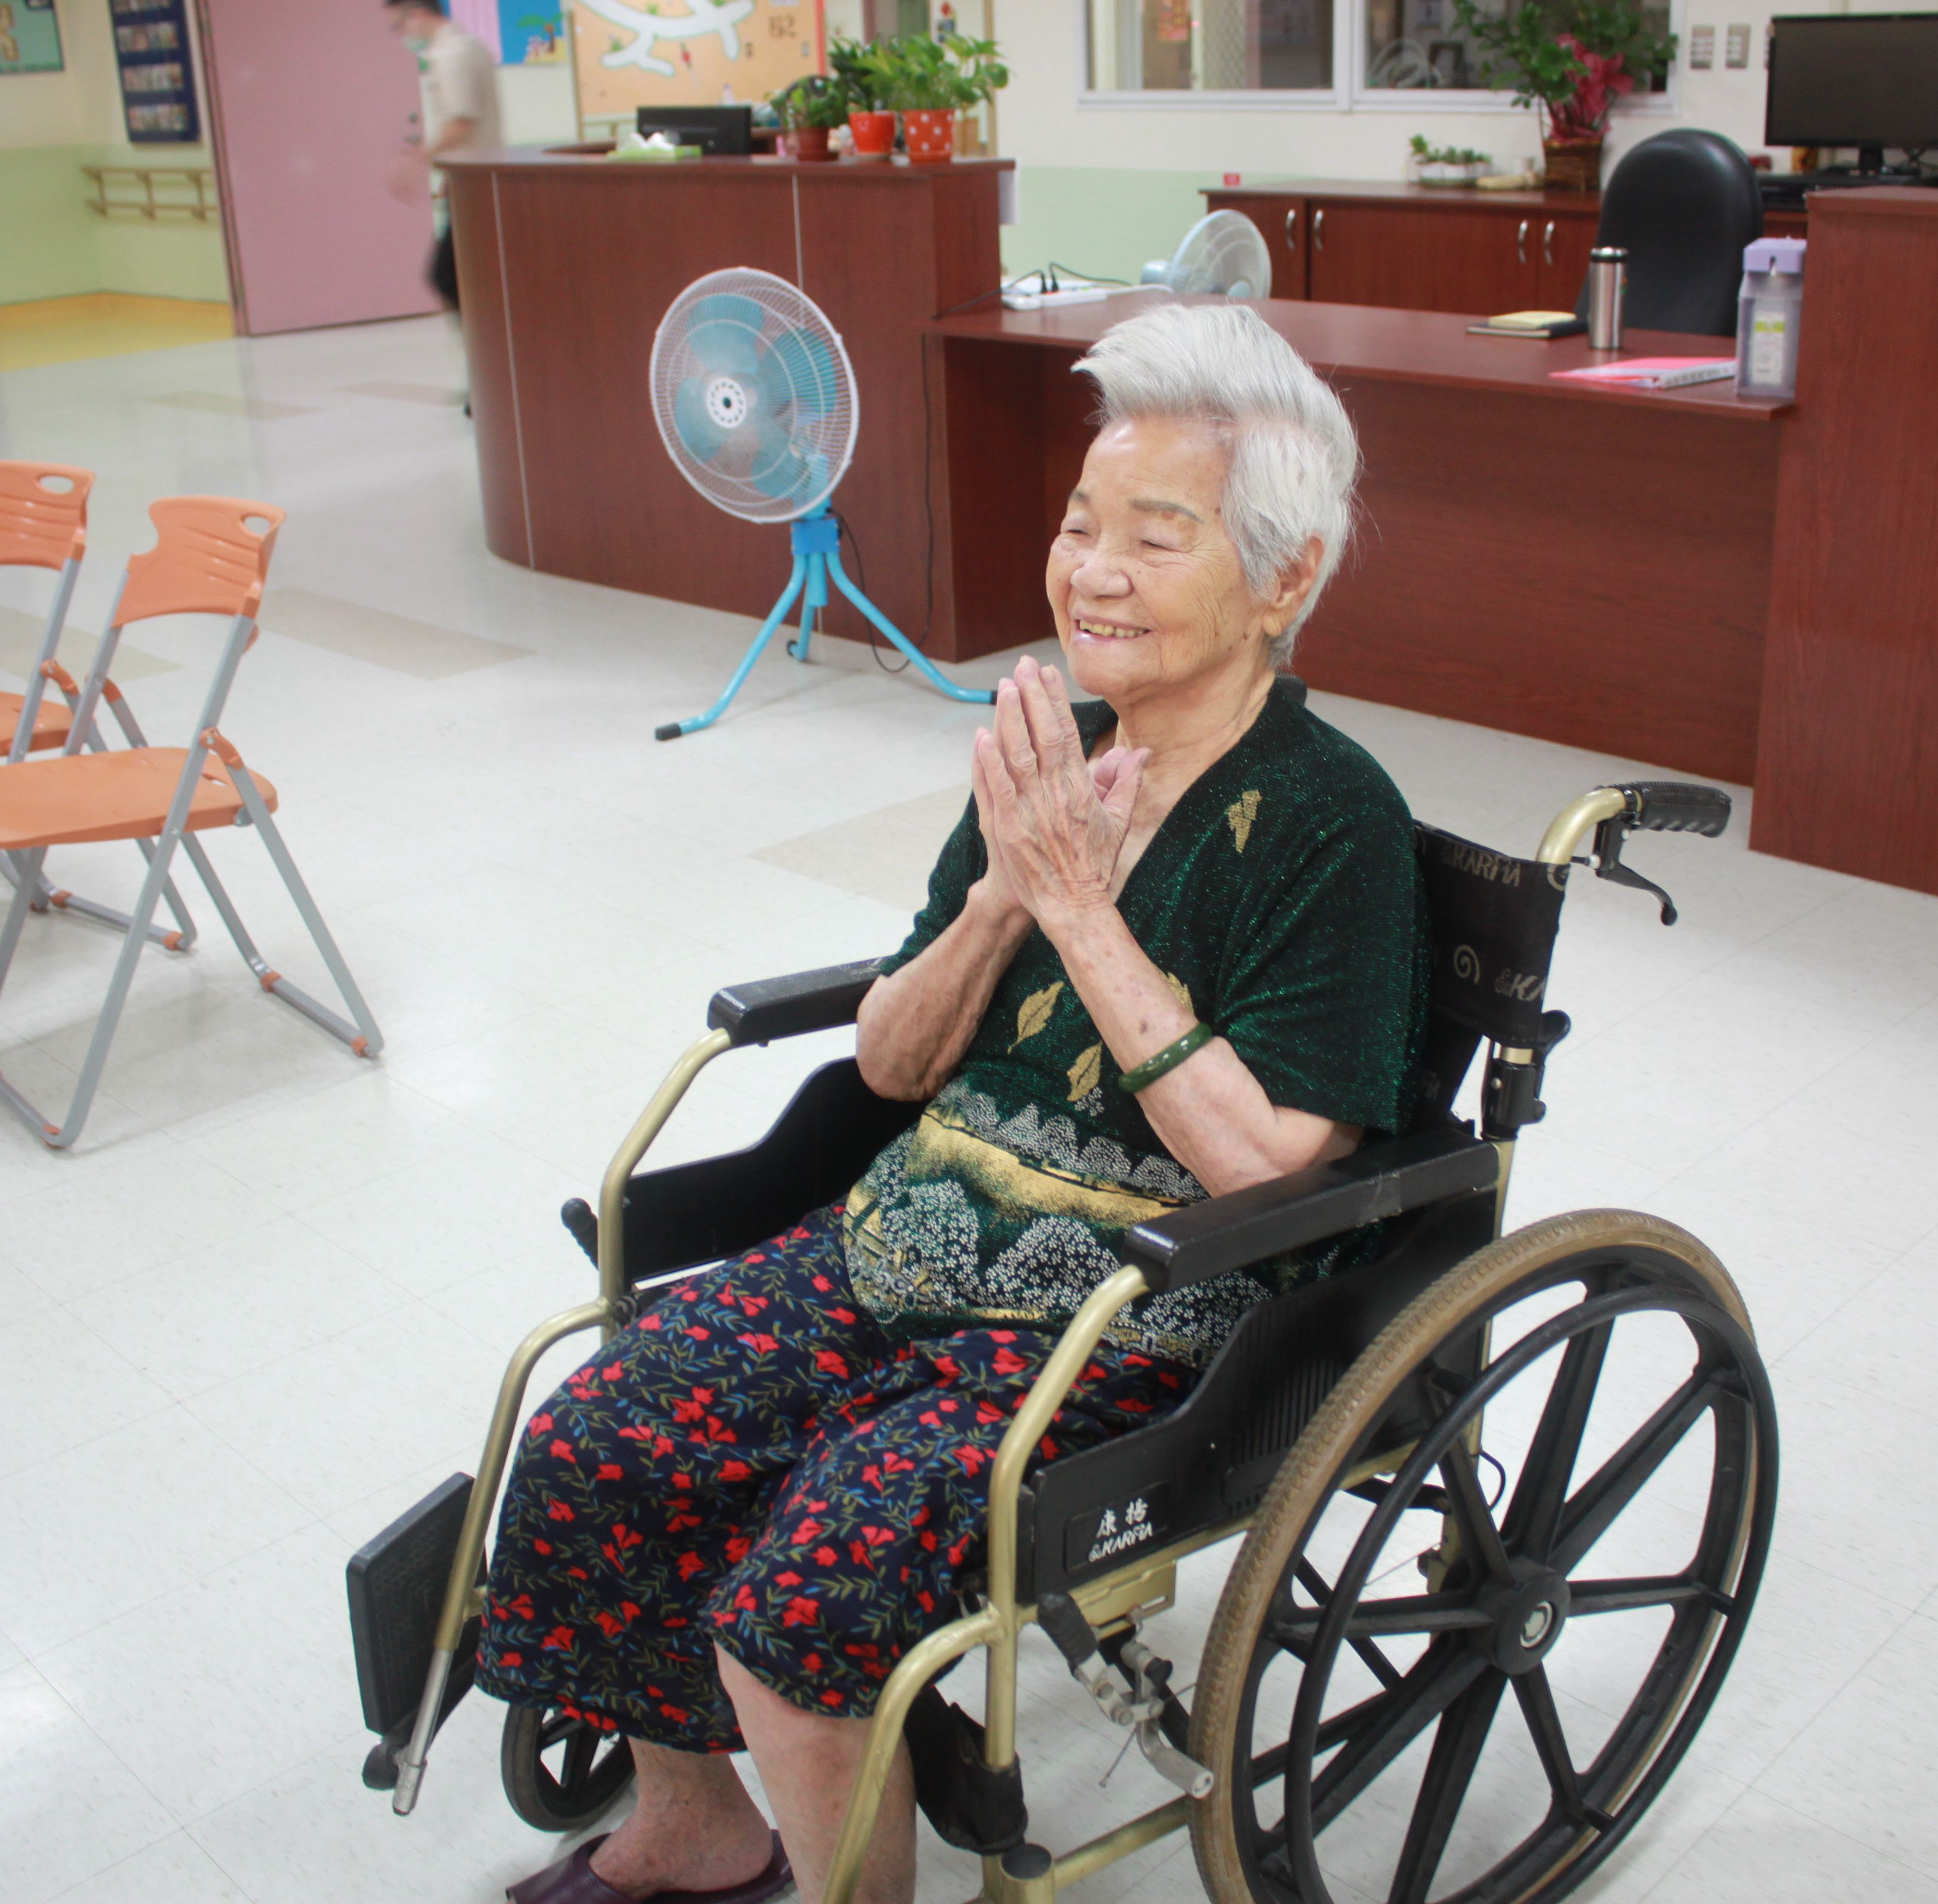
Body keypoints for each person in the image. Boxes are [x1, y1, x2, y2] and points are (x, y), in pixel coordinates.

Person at [474, 303, 1426, 1904]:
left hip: (1130, 1321)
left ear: (1286, 578)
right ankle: (699, 1833)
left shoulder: (1338, 828)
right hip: (899, 1238)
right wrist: (999, 897)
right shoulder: (1056, 760)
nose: (1091, 570)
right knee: (596, 1441)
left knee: (802, 1615)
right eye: (1078, 525)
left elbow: (1268, 1165)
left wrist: (1081, 912)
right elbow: (897, 1068)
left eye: (1154, 536)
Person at [385, 0, 501, 312]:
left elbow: (462, 124)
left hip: (474, 183)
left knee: (447, 277)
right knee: (467, 275)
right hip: (472, 179)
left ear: (419, 12)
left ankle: (487, 350)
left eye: (400, 24)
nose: (402, 33)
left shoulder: (452, 54)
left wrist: (415, 160)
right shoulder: (467, 46)